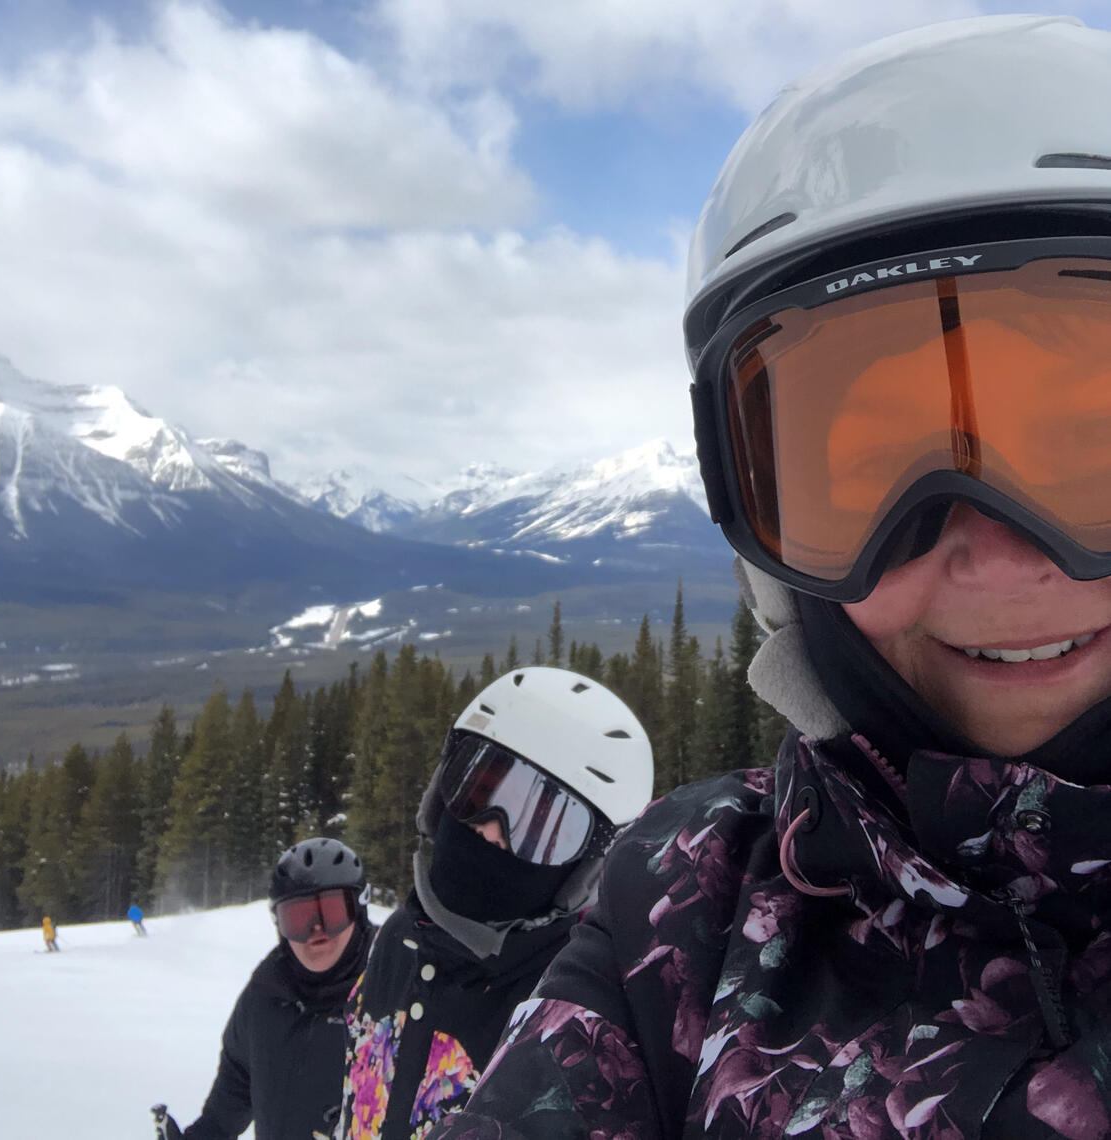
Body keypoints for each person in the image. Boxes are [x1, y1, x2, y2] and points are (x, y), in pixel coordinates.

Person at [426, 14, 1111, 1140]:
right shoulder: (688, 910)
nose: (994, 553)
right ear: (772, 555)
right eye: (872, 474)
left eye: (1087, 446)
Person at [334, 666, 653, 1139]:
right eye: (478, 790)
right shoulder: (394, 940)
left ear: (580, 869)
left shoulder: (574, 1017)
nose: (489, 831)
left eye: (542, 829)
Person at [161, 838, 375, 1140]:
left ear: (359, 909)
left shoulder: (397, 984)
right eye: (299, 918)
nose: (317, 930)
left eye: (331, 912)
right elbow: (235, 1089)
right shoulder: (266, 996)